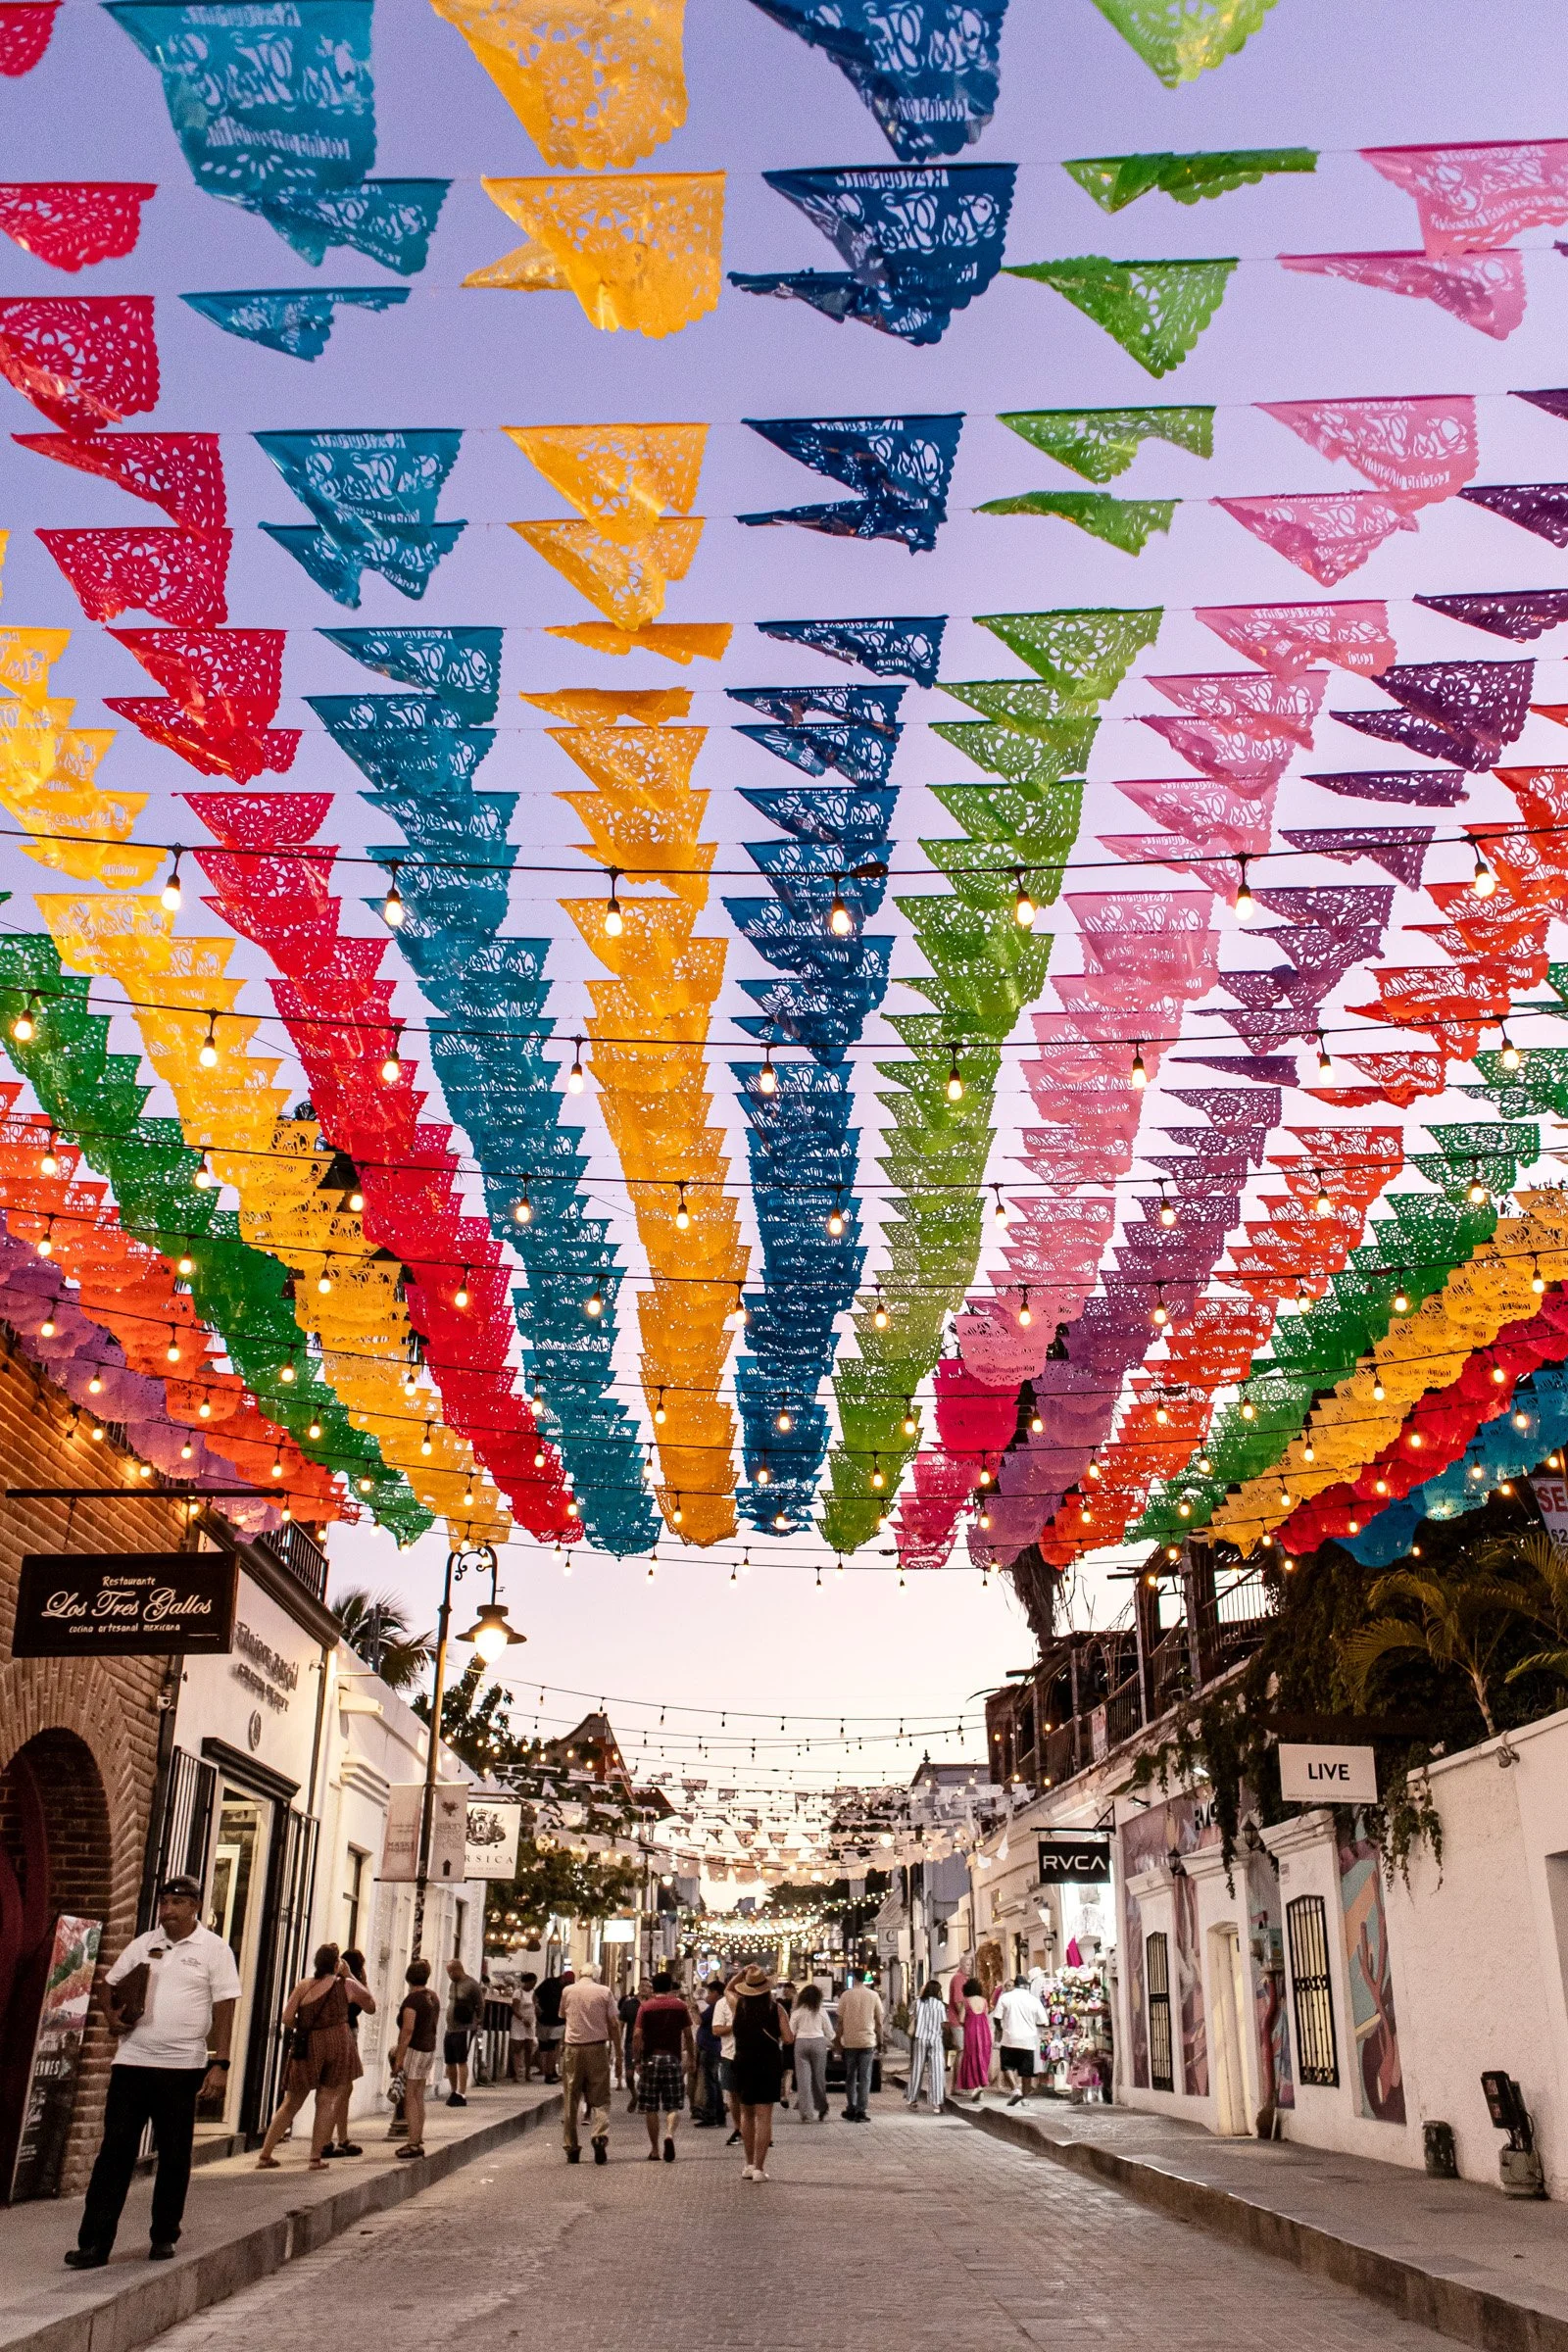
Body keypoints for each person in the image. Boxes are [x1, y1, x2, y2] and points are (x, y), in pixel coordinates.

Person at [66, 1874, 239, 2268]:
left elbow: (226, 2004)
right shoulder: (145, 1943)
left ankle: (164, 2235)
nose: (167, 1911)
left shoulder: (214, 1949)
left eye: (176, 1904)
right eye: (163, 1903)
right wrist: (112, 2019)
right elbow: (108, 1985)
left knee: (175, 2154)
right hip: (132, 2061)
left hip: (181, 2066)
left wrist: (221, 2062)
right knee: (114, 2153)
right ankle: (94, 2243)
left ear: (194, 1906)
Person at [256, 1945, 369, 2170]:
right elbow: (370, 2004)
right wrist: (350, 1976)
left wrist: (307, 2027)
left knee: (291, 2102)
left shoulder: (304, 1985)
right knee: (326, 2101)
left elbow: (287, 2018)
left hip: (308, 2045)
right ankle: (315, 2158)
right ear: (337, 1964)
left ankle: (265, 2154)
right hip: (338, 2043)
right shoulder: (344, 1984)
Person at [728, 1965, 793, 2181]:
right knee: (764, 2117)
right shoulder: (776, 2009)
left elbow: (728, 1989)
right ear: (767, 1989)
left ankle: (747, 2164)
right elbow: (789, 2038)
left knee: (746, 2115)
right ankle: (759, 2168)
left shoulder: (739, 2006)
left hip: (743, 2061)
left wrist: (743, 1972)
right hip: (767, 2063)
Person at [559, 1964, 621, 2164]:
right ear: (597, 1975)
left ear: (579, 1974)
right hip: (596, 2048)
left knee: (571, 2098)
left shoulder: (568, 1991)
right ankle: (599, 2135)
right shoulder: (604, 1992)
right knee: (601, 2097)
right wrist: (619, 2053)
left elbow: (564, 2017)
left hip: (572, 2049)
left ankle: (571, 2147)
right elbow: (613, 2023)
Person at [632, 1970, 694, 2162]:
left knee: (651, 2106)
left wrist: (637, 2059)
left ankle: (655, 2150)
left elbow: (636, 2035)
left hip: (651, 2058)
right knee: (673, 2104)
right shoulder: (680, 2006)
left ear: (654, 1988)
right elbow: (689, 2035)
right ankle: (669, 2134)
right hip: (672, 2059)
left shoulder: (646, 2007)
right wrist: (692, 2057)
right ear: (670, 1987)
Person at [386, 1958, 441, 2160]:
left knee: (411, 2096)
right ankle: (417, 2137)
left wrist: (399, 2058)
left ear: (408, 1977)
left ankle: (413, 2141)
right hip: (429, 2048)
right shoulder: (432, 1997)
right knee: (418, 2096)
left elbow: (408, 2030)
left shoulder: (413, 2000)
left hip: (415, 2050)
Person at [327, 1946, 376, 2156]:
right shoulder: (348, 1985)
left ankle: (340, 2137)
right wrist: (359, 1979)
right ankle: (328, 2139)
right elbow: (370, 2005)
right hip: (346, 2034)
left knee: (341, 2088)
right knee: (341, 2089)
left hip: (335, 2034)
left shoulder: (331, 1983)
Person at [834, 1968, 883, 2122]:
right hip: (867, 2041)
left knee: (850, 2076)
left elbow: (840, 2022)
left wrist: (837, 2041)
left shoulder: (846, 1995)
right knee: (865, 2077)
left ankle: (851, 2107)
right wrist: (880, 2041)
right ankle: (861, 2110)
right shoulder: (874, 1996)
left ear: (853, 1978)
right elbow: (879, 2022)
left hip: (850, 2042)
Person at [993, 1974, 1048, 2108]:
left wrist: (1000, 2029)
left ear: (1015, 1985)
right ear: (1026, 1986)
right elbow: (1044, 2021)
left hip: (1009, 2038)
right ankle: (1025, 2097)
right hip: (1028, 2040)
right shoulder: (1033, 2000)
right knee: (1026, 2071)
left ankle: (1015, 2089)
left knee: (1007, 2066)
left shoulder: (1005, 1998)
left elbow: (996, 2017)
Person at [443, 1954, 484, 2106]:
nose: (449, 1976)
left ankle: (462, 2092)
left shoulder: (471, 1985)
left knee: (461, 2060)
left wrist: (478, 2021)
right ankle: (453, 2091)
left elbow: (480, 2004)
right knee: (450, 2060)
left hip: (464, 2027)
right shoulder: (453, 1984)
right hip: (451, 2028)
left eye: (450, 1972)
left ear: (457, 1970)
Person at [788, 1984, 831, 2123]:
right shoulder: (821, 2011)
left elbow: (790, 2032)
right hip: (818, 2042)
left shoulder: (797, 2012)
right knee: (818, 2079)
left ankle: (806, 2114)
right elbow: (829, 2031)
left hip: (801, 2043)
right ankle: (822, 2107)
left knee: (803, 2080)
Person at [710, 1972, 744, 2144]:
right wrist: (734, 2026)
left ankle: (756, 2130)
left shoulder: (757, 2003)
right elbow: (716, 2029)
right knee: (733, 2095)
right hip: (730, 2055)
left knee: (752, 2096)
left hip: (753, 2055)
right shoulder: (722, 2004)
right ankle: (739, 2128)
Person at [906, 1983, 947, 2114]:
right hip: (936, 2040)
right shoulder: (940, 2005)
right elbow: (943, 2023)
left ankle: (911, 2100)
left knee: (917, 2069)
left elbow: (911, 2016)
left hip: (920, 2038)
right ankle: (936, 2104)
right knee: (936, 2071)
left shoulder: (918, 2002)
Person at [955, 1976, 993, 2101]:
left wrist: (967, 2024)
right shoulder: (984, 2001)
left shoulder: (966, 2002)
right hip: (984, 2031)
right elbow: (986, 2015)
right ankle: (981, 2083)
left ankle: (975, 2085)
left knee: (971, 2057)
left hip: (971, 2031)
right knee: (983, 2056)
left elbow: (961, 2019)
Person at [693, 1976, 724, 2126]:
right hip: (712, 2047)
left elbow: (699, 2020)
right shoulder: (717, 2006)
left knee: (710, 2082)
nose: (707, 1996)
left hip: (710, 2048)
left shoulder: (715, 2007)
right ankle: (718, 2114)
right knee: (713, 2081)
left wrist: (693, 2010)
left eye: (710, 1992)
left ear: (716, 1993)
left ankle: (711, 2115)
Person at [533, 1965, 569, 2082]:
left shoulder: (568, 1989)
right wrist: (537, 2006)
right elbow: (535, 1994)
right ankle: (547, 2071)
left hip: (558, 2021)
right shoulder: (549, 1982)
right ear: (562, 1978)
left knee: (552, 2046)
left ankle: (550, 2073)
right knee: (544, 2046)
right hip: (543, 2019)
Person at [617, 1979, 644, 2106]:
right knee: (629, 2074)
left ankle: (644, 2100)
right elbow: (621, 2025)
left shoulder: (653, 2003)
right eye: (643, 1986)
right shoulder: (629, 2004)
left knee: (646, 2073)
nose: (645, 1988)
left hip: (648, 2043)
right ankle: (634, 2095)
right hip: (631, 2043)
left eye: (648, 1986)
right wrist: (617, 2045)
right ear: (639, 1987)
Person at [509, 1973, 538, 2083]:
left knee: (529, 2048)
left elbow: (535, 2004)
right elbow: (515, 2008)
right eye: (532, 1983)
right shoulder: (518, 1993)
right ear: (527, 1982)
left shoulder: (533, 1993)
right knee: (517, 2048)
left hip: (530, 2023)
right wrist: (522, 2019)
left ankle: (527, 2072)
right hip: (519, 2023)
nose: (533, 1985)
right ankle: (517, 2073)